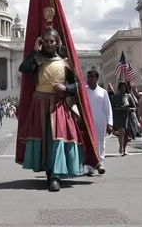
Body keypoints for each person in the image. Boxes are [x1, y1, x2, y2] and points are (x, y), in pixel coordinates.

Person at [17, 12, 99, 192]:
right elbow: (23, 68)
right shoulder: (37, 60)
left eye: (51, 41)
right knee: (43, 140)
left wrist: (66, 89)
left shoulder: (66, 63)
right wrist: (34, 49)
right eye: (45, 41)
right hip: (39, 104)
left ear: (58, 42)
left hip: (59, 105)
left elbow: (77, 84)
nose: (48, 44)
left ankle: (55, 175)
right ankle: (48, 172)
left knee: (58, 139)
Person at [85, 70, 112, 175]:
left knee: (101, 144)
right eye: (88, 77)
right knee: (90, 144)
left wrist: (110, 124)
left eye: (91, 77)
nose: (89, 79)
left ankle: (100, 164)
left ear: (97, 78)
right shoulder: (84, 91)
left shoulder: (103, 92)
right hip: (88, 123)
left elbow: (108, 109)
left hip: (101, 122)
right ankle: (90, 168)